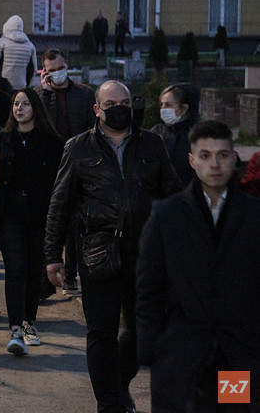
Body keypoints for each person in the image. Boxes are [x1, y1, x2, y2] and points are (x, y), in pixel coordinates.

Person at [45, 80, 181, 413]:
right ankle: (109, 404)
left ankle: (118, 385)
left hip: (145, 255)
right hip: (98, 253)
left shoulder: (153, 144)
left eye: (125, 102)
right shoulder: (78, 149)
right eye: (111, 104)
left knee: (141, 332)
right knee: (101, 334)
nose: (120, 109)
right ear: (97, 110)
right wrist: (52, 256)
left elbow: (173, 197)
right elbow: (59, 204)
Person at [138, 121, 260, 413]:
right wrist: (152, 347)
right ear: (191, 161)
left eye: (222, 154)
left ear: (234, 158)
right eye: (205, 155)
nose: (214, 164)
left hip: (236, 357)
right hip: (180, 357)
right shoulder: (167, 216)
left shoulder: (254, 216)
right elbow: (148, 288)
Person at [0, 89, 63, 355]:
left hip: (39, 214)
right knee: (15, 268)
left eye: (25, 103)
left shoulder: (52, 143)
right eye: (16, 103)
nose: (19, 108)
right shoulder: (1, 140)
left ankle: (29, 321)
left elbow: (58, 183)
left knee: (34, 270)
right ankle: (14, 329)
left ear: (37, 109)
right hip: (9, 214)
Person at [36, 49, 97, 294]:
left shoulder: (83, 93)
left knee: (76, 221)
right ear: (44, 72)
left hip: (79, 162)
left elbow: (93, 127)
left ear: (67, 66)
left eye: (60, 68)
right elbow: (38, 123)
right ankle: (49, 274)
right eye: (51, 71)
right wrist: (46, 95)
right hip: (50, 164)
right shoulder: (41, 96)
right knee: (53, 218)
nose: (56, 74)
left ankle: (71, 274)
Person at [150, 84, 200, 186]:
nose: (163, 109)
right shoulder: (156, 132)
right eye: (162, 104)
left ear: (184, 109)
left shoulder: (197, 135)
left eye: (168, 105)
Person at [0, 15, 37, 91]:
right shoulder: (30, 45)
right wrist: (27, 84)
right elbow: (33, 69)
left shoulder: (1, 42)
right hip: (22, 85)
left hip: (3, 85)